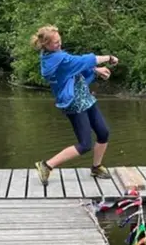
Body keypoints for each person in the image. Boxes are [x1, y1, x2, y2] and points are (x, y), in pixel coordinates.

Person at [30, 24, 118, 186]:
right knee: (85, 145)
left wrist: (96, 70)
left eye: (60, 40)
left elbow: (74, 67)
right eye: (55, 42)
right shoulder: (55, 59)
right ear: (46, 45)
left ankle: (96, 167)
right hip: (74, 104)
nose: (59, 44)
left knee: (103, 133)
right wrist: (108, 57)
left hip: (85, 98)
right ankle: (46, 165)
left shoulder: (55, 54)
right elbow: (80, 61)